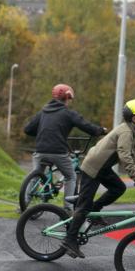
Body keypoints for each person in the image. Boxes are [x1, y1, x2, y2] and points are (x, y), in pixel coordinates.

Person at [61, 98, 135, 259]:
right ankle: (69, 240)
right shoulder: (126, 132)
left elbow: (131, 153)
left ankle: (94, 210)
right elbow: (125, 156)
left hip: (101, 168)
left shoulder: (130, 130)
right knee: (83, 207)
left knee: (118, 188)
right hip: (93, 168)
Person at [23, 83, 107, 212]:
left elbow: (28, 130)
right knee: (71, 176)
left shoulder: (43, 112)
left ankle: (23, 204)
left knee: (36, 176)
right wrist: (100, 131)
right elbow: (85, 125)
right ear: (67, 98)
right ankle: (68, 209)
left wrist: (41, 132)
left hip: (40, 151)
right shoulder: (68, 113)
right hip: (58, 152)